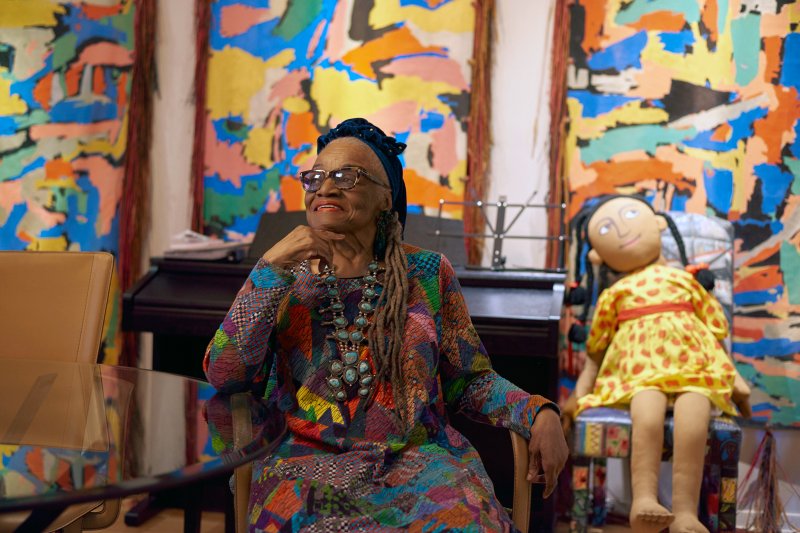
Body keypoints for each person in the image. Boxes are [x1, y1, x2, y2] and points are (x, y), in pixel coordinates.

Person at [204, 118, 568, 532]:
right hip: (303, 465)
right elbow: (224, 375)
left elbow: (469, 380)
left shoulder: (427, 273)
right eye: (316, 177)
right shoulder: (283, 277)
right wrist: (269, 270)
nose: (325, 187)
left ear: (385, 199)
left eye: (347, 176)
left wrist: (538, 413)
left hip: (419, 462)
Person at [562, 195, 750, 533]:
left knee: (694, 414)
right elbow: (596, 351)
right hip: (638, 372)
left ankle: (684, 514)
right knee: (645, 413)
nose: (621, 229)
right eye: (607, 228)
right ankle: (644, 500)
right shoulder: (614, 293)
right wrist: (578, 396)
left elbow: (713, 332)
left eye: (631, 215)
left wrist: (735, 381)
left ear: (658, 224)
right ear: (596, 255)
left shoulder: (686, 280)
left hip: (693, 368)